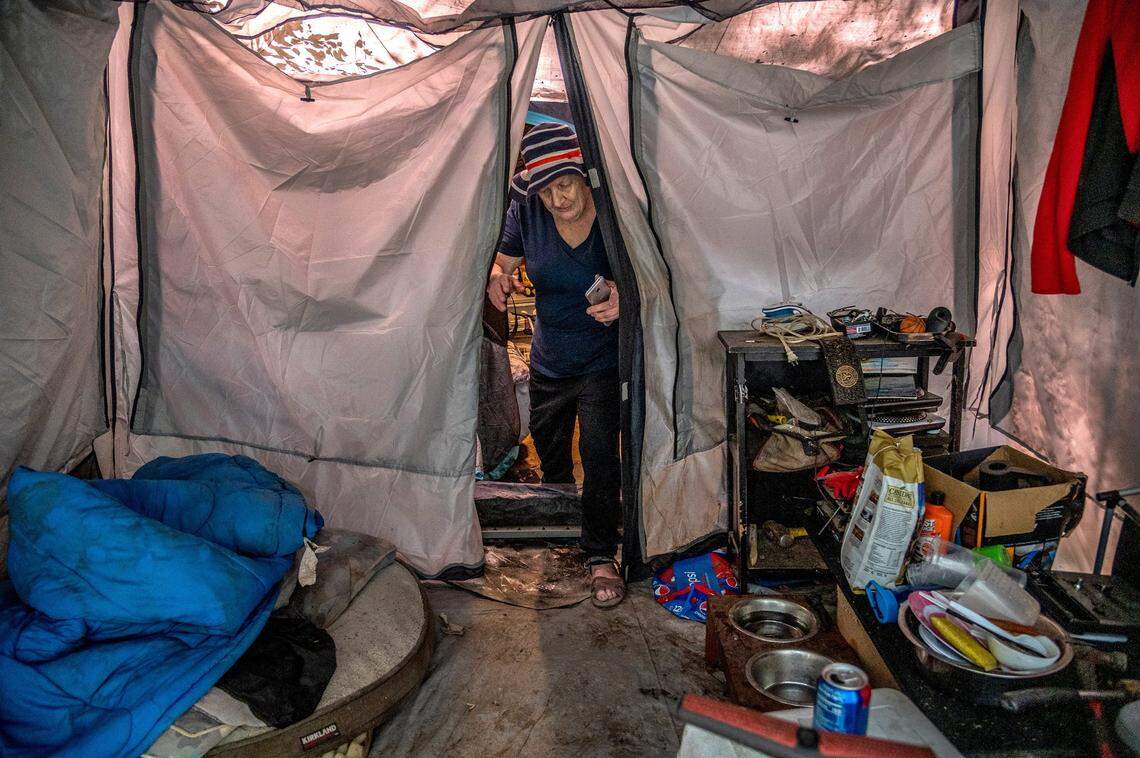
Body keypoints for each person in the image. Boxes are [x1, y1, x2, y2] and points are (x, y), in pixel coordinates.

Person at [487, 122, 624, 608]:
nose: (557, 199)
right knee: (550, 449)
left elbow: (652, 272)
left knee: (601, 452)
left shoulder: (614, 208)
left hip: (604, 357)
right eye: (545, 190)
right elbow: (502, 259)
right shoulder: (527, 209)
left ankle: (600, 554)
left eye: (564, 184)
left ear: (583, 176)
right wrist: (498, 277)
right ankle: (565, 521)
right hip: (551, 356)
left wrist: (623, 298)